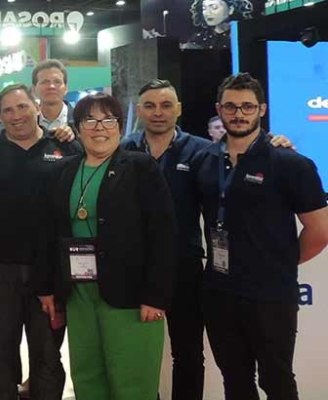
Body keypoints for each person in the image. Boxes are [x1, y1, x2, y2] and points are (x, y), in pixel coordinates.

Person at [191, 73, 328, 400]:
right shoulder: (204, 161)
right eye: (231, 107)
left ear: (262, 110)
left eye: (247, 107)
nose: (239, 114)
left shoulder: (291, 163)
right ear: (219, 110)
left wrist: (282, 261)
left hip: (270, 294)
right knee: (234, 380)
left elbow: (320, 230)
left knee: (277, 380)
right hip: (219, 291)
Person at [38, 93, 177, 399]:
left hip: (130, 294)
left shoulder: (140, 167)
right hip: (79, 294)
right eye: (90, 120)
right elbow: (51, 232)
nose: (99, 128)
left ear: (120, 126)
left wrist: (156, 296)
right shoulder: (64, 171)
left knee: (131, 382)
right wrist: (48, 286)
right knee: (87, 376)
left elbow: (163, 235)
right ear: (78, 128)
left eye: (108, 120)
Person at [0, 84, 79, 400]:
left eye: (22, 107)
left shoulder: (65, 148)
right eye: (8, 110)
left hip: (51, 273)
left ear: (37, 107)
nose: (16, 116)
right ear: (0, 116)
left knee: (48, 355)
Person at [120, 79, 212, 400]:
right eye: (150, 106)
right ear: (139, 110)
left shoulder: (202, 150)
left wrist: (274, 141)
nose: (158, 112)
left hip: (184, 266)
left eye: (166, 105)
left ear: (179, 109)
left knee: (187, 352)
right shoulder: (123, 150)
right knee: (137, 351)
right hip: (135, 269)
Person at [184, 0, 254, 49]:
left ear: (231, 9)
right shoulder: (198, 39)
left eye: (214, 7)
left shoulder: (246, 35)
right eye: (204, 8)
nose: (207, 13)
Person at [32, 60, 76, 135]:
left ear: (66, 88)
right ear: (34, 89)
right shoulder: (27, 122)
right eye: (45, 82)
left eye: (57, 82)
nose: (51, 86)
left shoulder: (80, 120)